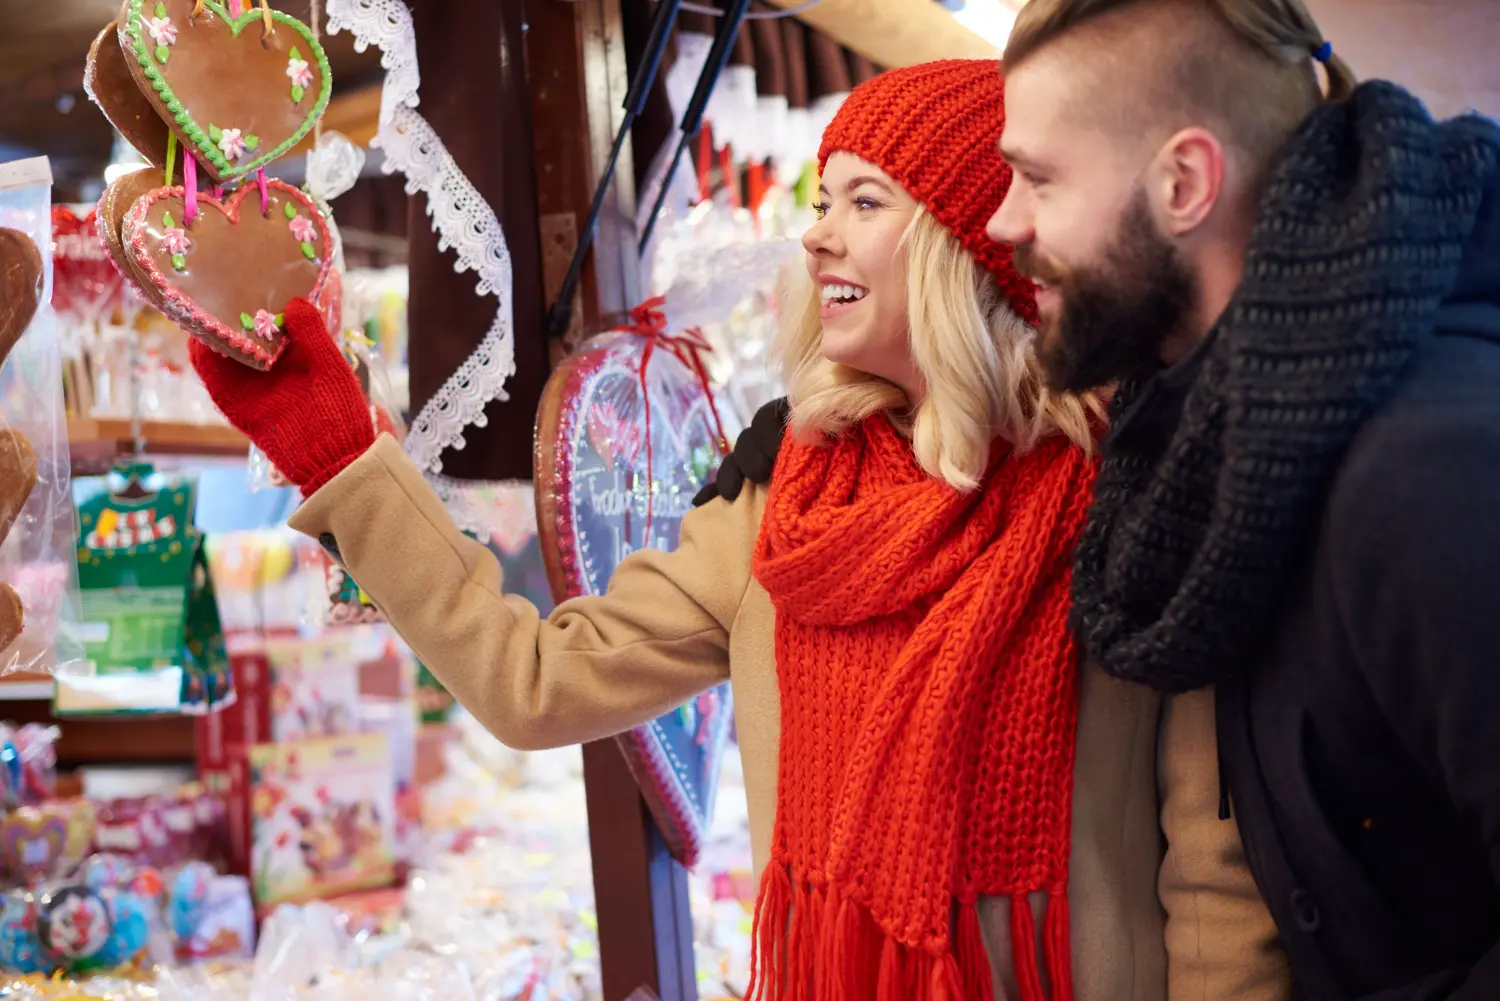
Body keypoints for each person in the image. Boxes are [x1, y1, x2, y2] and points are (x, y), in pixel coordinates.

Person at [191, 60, 1188, 1001]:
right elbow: (533, 681)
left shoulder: (1125, 488)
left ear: (970, 236)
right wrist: (345, 459)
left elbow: (1212, 855)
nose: (818, 237)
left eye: (866, 201)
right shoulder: (786, 498)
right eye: (822, 201)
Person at [985, 1, 1500, 999]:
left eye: (1038, 177)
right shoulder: (1210, 441)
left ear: (1183, 183)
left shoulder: (1423, 469)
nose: (1004, 220)